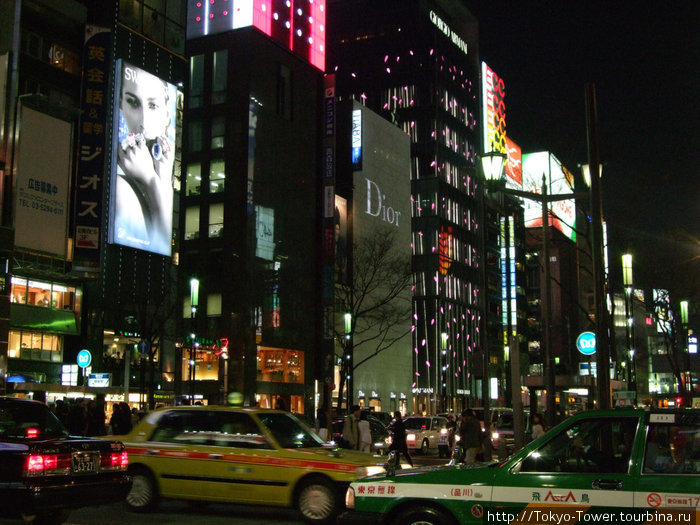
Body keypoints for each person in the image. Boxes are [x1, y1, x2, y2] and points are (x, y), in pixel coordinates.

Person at [114, 63, 176, 255]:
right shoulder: (117, 185)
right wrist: (152, 181)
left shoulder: (163, 171)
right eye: (133, 102)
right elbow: (159, 245)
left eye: (153, 105)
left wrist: (159, 180)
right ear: (120, 106)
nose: (143, 122)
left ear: (166, 116)